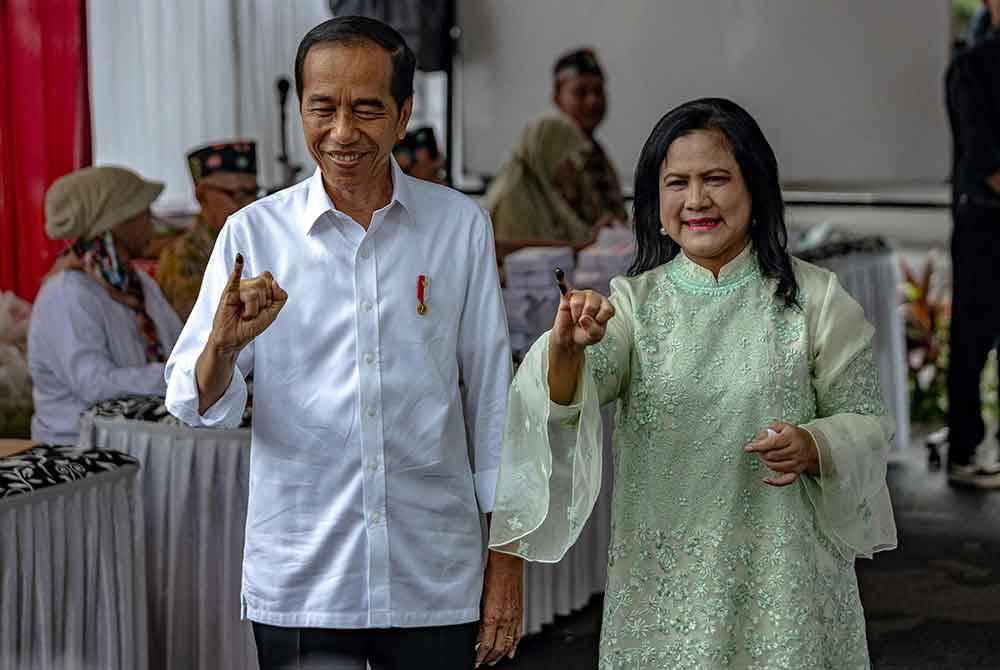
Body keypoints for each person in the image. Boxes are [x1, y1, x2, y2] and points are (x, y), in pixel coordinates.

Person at [164, 16, 522, 670]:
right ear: (301, 109)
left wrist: (506, 568)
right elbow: (191, 398)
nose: (341, 132)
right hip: (305, 576)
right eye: (322, 108)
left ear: (404, 113)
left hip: (430, 572)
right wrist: (223, 345)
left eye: (366, 109)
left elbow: (495, 403)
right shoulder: (255, 234)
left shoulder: (458, 228)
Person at [489, 98, 897, 669]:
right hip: (663, 595)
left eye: (716, 179)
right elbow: (565, 400)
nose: (696, 200)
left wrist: (816, 444)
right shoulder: (634, 304)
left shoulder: (817, 300)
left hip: (786, 587)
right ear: (656, 203)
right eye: (676, 182)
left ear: (755, 190)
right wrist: (564, 347)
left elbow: (868, 422)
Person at [28, 166, 183, 446]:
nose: (153, 222)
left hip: (135, 441)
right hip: (77, 453)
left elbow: (179, 346)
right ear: (117, 222)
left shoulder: (137, 286)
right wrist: (180, 376)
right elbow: (94, 384)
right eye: (143, 212)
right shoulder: (68, 293)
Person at [945, 0, 1000, 488]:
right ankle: (963, 449)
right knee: (973, 339)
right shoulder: (971, 68)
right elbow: (985, 158)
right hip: (984, 223)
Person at [156, 140, 260, 321]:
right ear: (202, 195)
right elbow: (203, 327)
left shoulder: (258, 241)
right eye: (237, 194)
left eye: (253, 193)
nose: (249, 204)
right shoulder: (183, 258)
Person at [484, 114, 602, 248]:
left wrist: (599, 233)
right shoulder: (511, 196)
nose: (575, 168)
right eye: (567, 160)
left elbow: (575, 236)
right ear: (548, 154)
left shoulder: (543, 190)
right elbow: (519, 259)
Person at [551, 48, 627, 227]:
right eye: (580, 92)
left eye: (598, 91)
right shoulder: (549, 156)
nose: (593, 101)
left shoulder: (597, 154)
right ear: (557, 99)